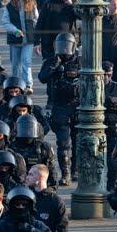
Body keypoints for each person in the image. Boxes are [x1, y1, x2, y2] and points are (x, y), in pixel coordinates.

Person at [39, 32, 82, 185]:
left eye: (67, 46)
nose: (64, 49)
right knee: (63, 142)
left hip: (77, 105)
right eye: (61, 46)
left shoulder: (80, 62)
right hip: (59, 106)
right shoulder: (51, 61)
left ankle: (76, 169)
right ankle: (66, 173)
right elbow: (42, 78)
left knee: (78, 141)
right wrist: (54, 65)